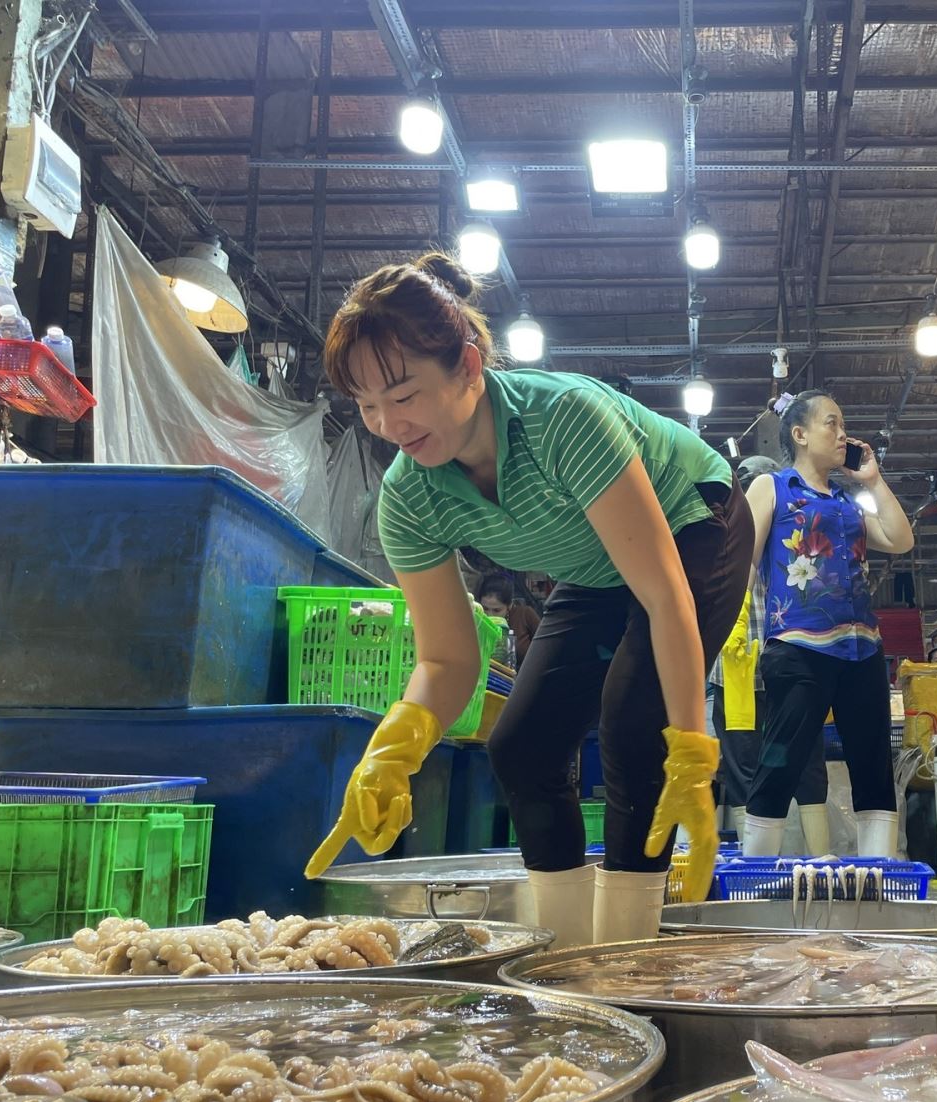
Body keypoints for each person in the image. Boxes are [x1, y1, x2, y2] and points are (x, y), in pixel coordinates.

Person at [304, 252, 752, 947]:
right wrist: (394, 748)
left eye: (404, 395)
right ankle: (564, 956)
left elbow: (664, 596)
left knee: (634, 722)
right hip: (596, 562)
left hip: (692, 520)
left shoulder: (564, 420)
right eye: (366, 405)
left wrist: (693, 752)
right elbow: (449, 661)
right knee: (520, 747)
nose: (389, 423)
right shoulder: (408, 498)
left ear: (468, 366)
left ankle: (627, 958)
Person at [743, 389, 916, 858]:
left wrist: (873, 481)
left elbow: (900, 539)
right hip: (797, 647)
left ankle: (878, 872)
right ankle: (755, 875)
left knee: (873, 766)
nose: (843, 434)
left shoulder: (848, 503)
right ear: (799, 434)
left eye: (844, 425)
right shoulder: (773, 488)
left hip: (863, 649)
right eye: (831, 423)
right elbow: (743, 563)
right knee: (781, 760)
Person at [711, 455, 827, 831]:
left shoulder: (799, 541)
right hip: (735, 670)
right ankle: (754, 857)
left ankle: (818, 854)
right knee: (744, 766)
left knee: (805, 761)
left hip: (790, 664)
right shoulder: (723, 539)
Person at [477, 571, 540, 666]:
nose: (490, 615)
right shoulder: (476, 619)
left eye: (497, 610)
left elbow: (546, 647)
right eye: (485, 609)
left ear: (509, 605)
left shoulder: (525, 615)